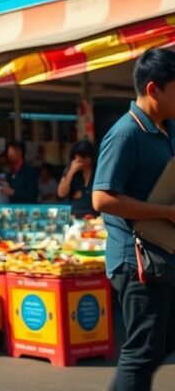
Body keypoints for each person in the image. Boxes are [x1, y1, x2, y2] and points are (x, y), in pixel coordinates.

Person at [92, 48, 175, 391]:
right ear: (154, 89)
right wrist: (166, 213)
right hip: (138, 261)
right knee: (141, 354)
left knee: (159, 345)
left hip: (164, 254)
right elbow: (102, 198)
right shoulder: (126, 133)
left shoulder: (167, 128)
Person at [57, 141, 97, 218]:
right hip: (75, 215)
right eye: (77, 160)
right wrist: (71, 172)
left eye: (81, 159)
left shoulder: (98, 171)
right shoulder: (70, 170)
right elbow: (61, 194)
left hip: (94, 216)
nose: (79, 163)